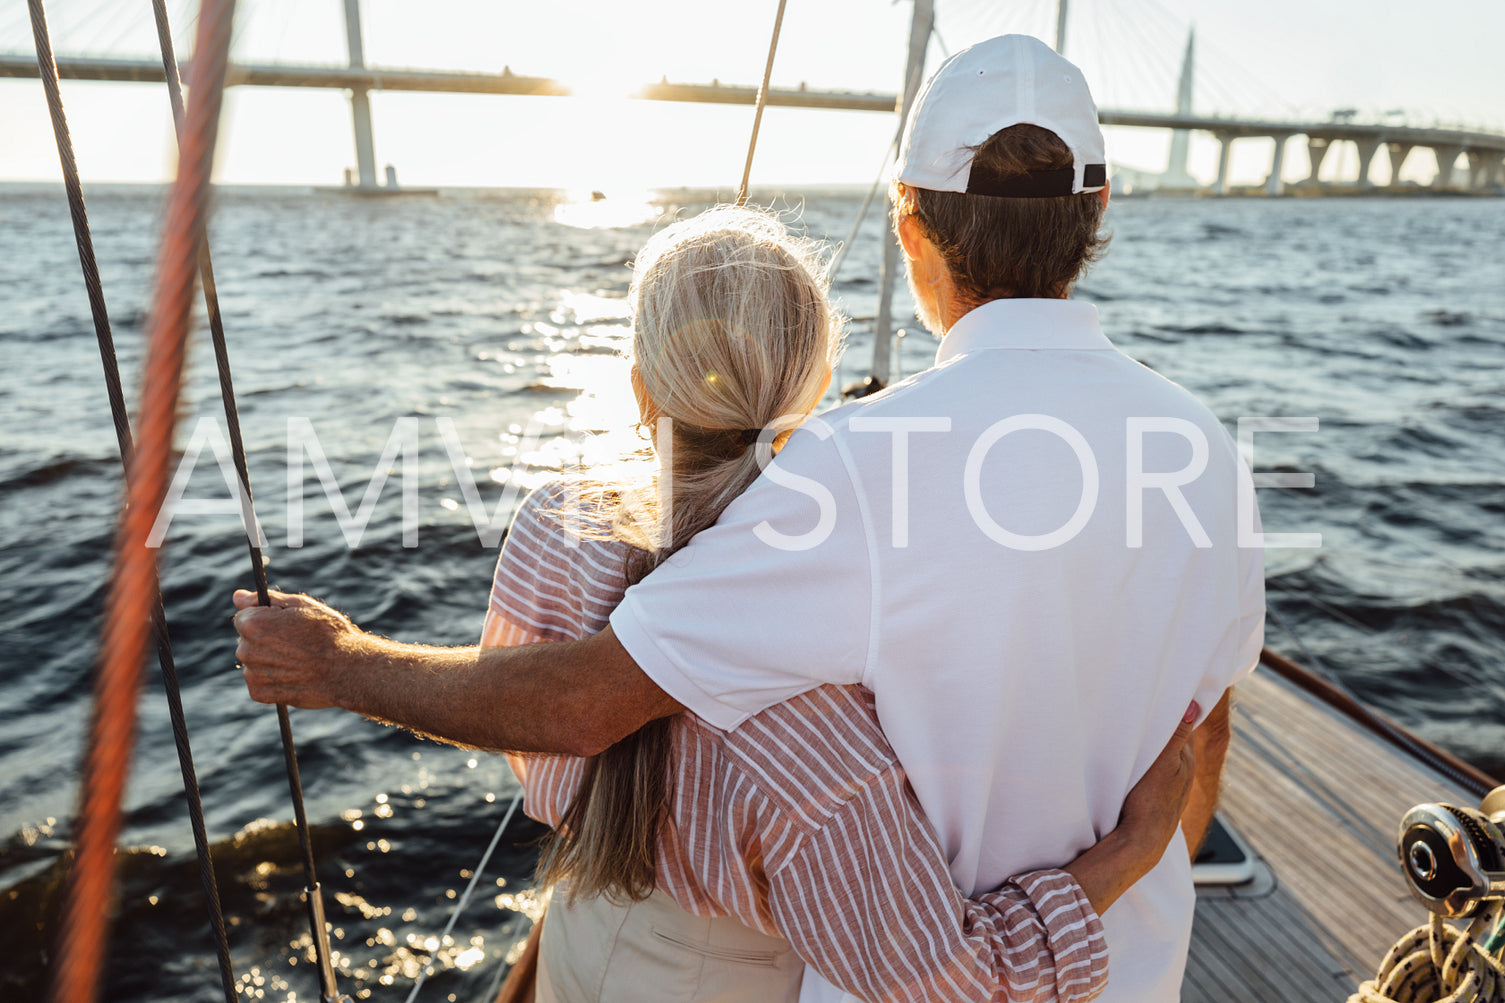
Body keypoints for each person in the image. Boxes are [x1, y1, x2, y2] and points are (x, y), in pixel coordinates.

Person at [237, 35, 1264, 1002]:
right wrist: (1135, 856)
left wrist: (339, 662)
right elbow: (1199, 720)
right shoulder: (1206, 451)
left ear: (910, 225)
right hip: (1129, 961)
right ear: (1095, 211)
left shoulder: (854, 466)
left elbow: (592, 702)